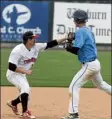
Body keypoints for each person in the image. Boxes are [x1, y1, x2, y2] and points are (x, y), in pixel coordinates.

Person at [6, 31, 72, 119]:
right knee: (25, 88)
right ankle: (25, 113)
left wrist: (65, 37)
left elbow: (50, 44)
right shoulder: (17, 50)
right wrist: (26, 71)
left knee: (26, 95)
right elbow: (11, 67)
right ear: (28, 40)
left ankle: (13, 103)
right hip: (13, 74)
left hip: (21, 74)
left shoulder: (36, 47)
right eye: (33, 38)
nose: (35, 39)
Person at [61, 9, 111, 119]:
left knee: (73, 87)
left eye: (74, 19)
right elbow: (83, 44)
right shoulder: (88, 30)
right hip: (95, 63)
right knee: (101, 84)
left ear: (77, 20)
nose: (73, 20)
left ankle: (73, 114)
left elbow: (76, 49)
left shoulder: (80, 32)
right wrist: (72, 40)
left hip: (89, 65)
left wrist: (67, 47)